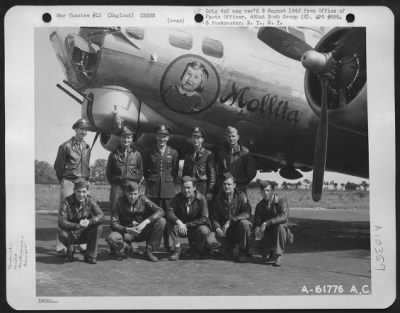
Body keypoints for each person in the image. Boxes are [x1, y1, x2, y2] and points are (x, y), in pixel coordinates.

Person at [54, 118, 91, 254]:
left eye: (86, 129)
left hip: (83, 182)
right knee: (65, 212)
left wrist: (87, 180)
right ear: (75, 129)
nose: (83, 131)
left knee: (84, 212)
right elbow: (58, 167)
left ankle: (81, 243)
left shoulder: (87, 146)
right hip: (69, 181)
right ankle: (61, 245)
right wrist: (64, 181)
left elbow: (86, 166)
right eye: (81, 129)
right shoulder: (65, 146)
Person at [106, 181, 166, 262]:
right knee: (112, 238)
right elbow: (113, 224)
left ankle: (149, 251)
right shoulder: (119, 202)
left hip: (141, 231)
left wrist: (146, 222)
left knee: (161, 221)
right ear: (125, 193)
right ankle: (125, 246)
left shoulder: (143, 199)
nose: (133, 197)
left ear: (138, 193)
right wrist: (127, 229)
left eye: (135, 194)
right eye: (130, 194)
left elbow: (160, 211)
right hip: (126, 233)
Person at [143, 125, 179, 251]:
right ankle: (152, 246)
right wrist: (153, 180)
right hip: (153, 190)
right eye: (159, 136)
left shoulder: (173, 152)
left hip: (168, 191)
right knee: (154, 218)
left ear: (168, 138)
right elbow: (145, 171)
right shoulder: (149, 151)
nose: (161, 139)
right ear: (156, 136)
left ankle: (171, 246)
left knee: (170, 218)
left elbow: (174, 171)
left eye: (164, 136)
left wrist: (167, 181)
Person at [166, 176, 214, 261]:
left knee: (204, 230)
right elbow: (169, 212)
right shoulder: (177, 198)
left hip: (195, 227)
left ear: (194, 188)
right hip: (181, 228)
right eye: (183, 187)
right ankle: (176, 250)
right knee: (170, 223)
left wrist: (186, 225)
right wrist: (180, 223)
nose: (186, 190)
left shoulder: (201, 199)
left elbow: (204, 218)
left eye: (188, 188)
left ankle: (197, 248)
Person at [58, 178, 104, 264]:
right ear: (74, 191)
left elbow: (101, 215)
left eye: (84, 192)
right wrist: (77, 226)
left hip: (85, 232)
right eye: (78, 191)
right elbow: (61, 222)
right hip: (71, 234)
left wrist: (89, 222)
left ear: (87, 192)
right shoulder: (66, 202)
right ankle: (70, 247)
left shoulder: (90, 200)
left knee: (98, 226)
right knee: (61, 233)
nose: (81, 194)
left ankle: (90, 255)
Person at [211, 172, 252, 263]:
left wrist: (230, 221)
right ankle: (228, 247)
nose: (226, 187)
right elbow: (214, 217)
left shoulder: (242, 196)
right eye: (224, 184)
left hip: (237, 230)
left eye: (229, 184)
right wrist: (217, 228)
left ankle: (243, 252)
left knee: (245, 224)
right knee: (210, 241)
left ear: (234, 185)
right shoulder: (219, 198)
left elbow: (247, 213)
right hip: (225, 232)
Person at [253, 180, 293, 267]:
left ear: (272, 191)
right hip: (268, 232)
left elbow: (284, 216)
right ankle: (270, 251)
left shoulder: (281, 200)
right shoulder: (260, 205)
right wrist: (257, 231)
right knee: (253, 238)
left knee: (281, 227)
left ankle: (278, 255)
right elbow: (257, 222)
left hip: (280, 232)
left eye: (268, 190)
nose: (265, 193)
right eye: (263, 191)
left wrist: (267, 222)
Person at [106, 126, 143, 214]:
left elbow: (140, 173)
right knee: (115, 211)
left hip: (131, 187)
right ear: (120, 138)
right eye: (124, 137)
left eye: (128, 137)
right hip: (117, 187)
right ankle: (115, 228)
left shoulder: (137, 155)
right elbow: (109, 173)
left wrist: (133, 184)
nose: (126, 140)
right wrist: (116, 184)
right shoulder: (113, 154)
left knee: (130, 212)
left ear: (132, 139)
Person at [216, 126, 257, 193]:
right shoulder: (222, 153)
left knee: (243, 202)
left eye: (233, 136)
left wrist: (240, 182)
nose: (231, 138)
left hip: (240, 189)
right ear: (226, 138)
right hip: (225, 188)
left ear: (238, 137)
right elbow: (219, 170)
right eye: (229, 136)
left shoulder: (245, 152)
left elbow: (252, 172)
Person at [182, 126, 216, 200]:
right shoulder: (188, 154)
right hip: (190, 186)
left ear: (202, 139)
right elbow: (184, 172)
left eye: (198, 138)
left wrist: (210, 191)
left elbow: (212, 174)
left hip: (202, 186)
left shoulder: (208, 154)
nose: (195, 140)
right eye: (194, 137)